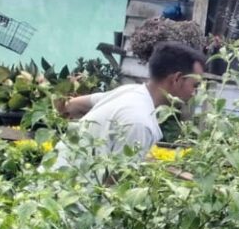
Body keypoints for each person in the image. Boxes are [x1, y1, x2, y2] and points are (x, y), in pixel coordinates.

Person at [57, 41, 204, 155]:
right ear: (177, 79)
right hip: (66, 191)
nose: (195, 93)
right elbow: (113, 186)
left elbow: (73, 105)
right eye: (195, 85)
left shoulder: (130, 92)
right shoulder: (140, 122)